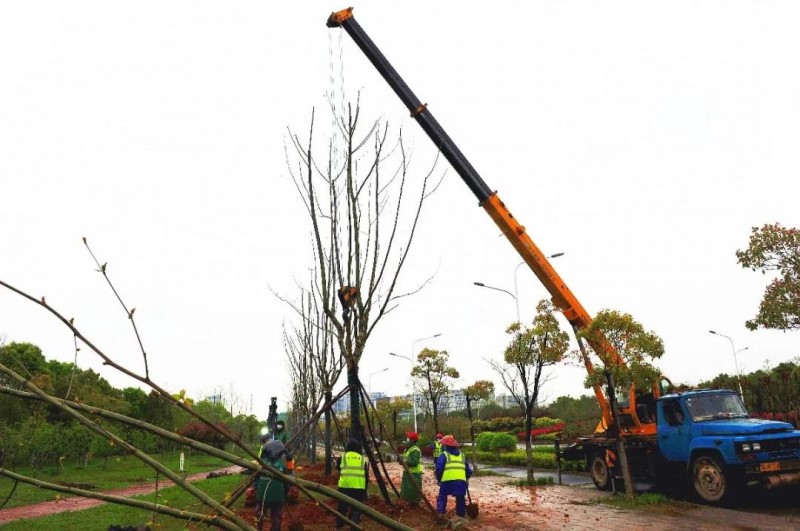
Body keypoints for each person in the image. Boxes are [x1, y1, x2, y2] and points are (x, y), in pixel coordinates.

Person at [434, 434, 472, 518]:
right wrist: (467, 478)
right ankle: (461, 515)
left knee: (442, 496)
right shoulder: (462, 456)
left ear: (446, 446)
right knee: (460, 497)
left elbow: (439, 469)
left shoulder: (444, 455)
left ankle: (440, 513)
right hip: (460, 481)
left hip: (447, 481)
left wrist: (439, 479)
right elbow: (468, 470)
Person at [335, 438, 369, 529]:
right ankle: (354, 526)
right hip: (358, 489)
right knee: (356, 509)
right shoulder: (362, 459)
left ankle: (339, 525)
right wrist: (365, 492)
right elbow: (366, 476)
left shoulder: (343, 457)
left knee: (342, 507)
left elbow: (338, 468)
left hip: (344, 487)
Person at [256, 440, 287, 531]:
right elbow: (286, 480)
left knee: (259, 512)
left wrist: (255, 486)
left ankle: (259, 528)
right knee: (276, 515)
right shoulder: (281, 464)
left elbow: (256, 478)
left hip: (262, 495)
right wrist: (285, 493)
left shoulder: (262, 464)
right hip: (278, 496)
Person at [398, 431, 423, 508]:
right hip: (408, 473)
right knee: (408, 491)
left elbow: (414, 462)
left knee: (413, 492)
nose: (407, 439)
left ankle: (415, 506)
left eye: (408, 438)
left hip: (414, 474)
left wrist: (404, 461)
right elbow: (406, 459)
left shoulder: (415, 450)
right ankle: (410, 505)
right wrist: (400, 460)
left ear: (412, 440)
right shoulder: (408, 448)